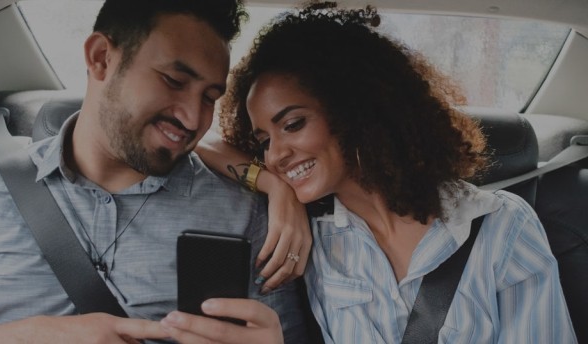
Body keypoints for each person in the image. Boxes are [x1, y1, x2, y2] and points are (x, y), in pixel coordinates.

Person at [160, 2, 578, 343]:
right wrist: (274, 187)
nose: (276, 154)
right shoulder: (317, 238)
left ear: (356, 111)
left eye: (292, 124)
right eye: (263, 141)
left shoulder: (500, 228)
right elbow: (201, 139)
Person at [0, 0, 311, 343]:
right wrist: (27, 337)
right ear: (101, 58)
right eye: (173, 80)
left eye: (209, 97)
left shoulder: (248, 214)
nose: (192, 118)